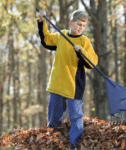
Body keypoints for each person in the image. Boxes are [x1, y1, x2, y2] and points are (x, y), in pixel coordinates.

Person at [37, 10, 98, 148]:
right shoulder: (61, 36)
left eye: (83, 25)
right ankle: (53, 143)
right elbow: (46, 39)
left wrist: (81, 51)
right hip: (58, 84)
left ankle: (75, 144)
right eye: (79, 24)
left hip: (74, 87)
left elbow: (93, 62)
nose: (81, 28)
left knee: (76, 117)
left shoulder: (84, 41)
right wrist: (42, 21)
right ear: (71, 22)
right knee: (54, 117)